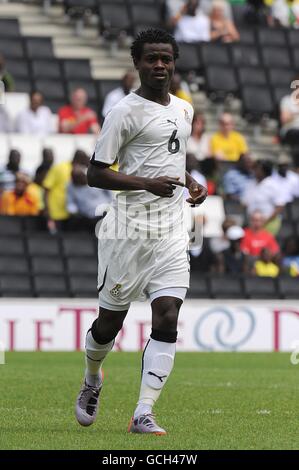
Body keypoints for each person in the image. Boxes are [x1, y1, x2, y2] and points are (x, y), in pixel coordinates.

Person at [75, 28, 207, 435]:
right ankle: (92, 378)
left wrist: (190, 181)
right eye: (151, 58)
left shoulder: (184, 110)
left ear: (174, 62)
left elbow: (170, 158)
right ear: (137, 63)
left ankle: (143, 412)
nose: (160, 65)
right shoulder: (123, 112)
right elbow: (95, 173)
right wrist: (146, 184)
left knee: (167, 316)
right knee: (108, 325)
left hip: (170, 230)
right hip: (126, 232)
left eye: (166, 58)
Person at [43, 150, 89, 228]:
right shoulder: (60, 167)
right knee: (57, 238)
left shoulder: (81, 172)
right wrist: (47, 209)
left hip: (72, 214)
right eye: (83, 161)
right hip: (56, 213)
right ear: (78, 159)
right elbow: (46, 188)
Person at [241, 159, 285, 235]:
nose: (254, 171)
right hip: (252, 223)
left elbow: (280, 206)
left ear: (265, 170)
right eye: (254, 168)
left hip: (269, 223)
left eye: (257, 168)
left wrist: (265, 221)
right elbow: (245, 202)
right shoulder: (250, 184)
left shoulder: (273, 185)